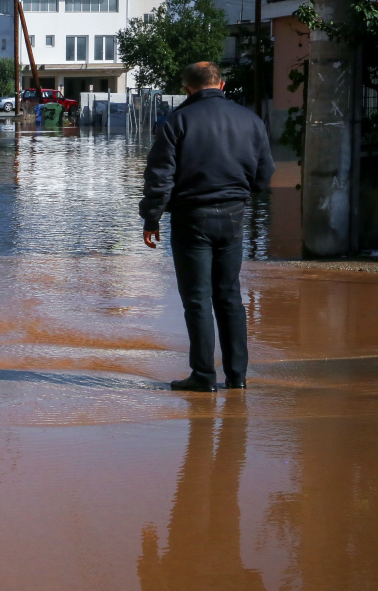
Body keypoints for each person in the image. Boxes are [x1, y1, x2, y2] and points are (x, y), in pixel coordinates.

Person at [140, 62, 274, 392]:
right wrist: (242, 196)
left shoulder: (177, 121)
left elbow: (160, 177)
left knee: (198, 301)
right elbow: (265, 173)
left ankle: (203, 375)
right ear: (222, 84)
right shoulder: (251, 121)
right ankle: (238, 376)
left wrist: (152, 217)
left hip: (191, 218)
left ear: (186, 88)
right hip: (233, 216)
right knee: (229, 297)